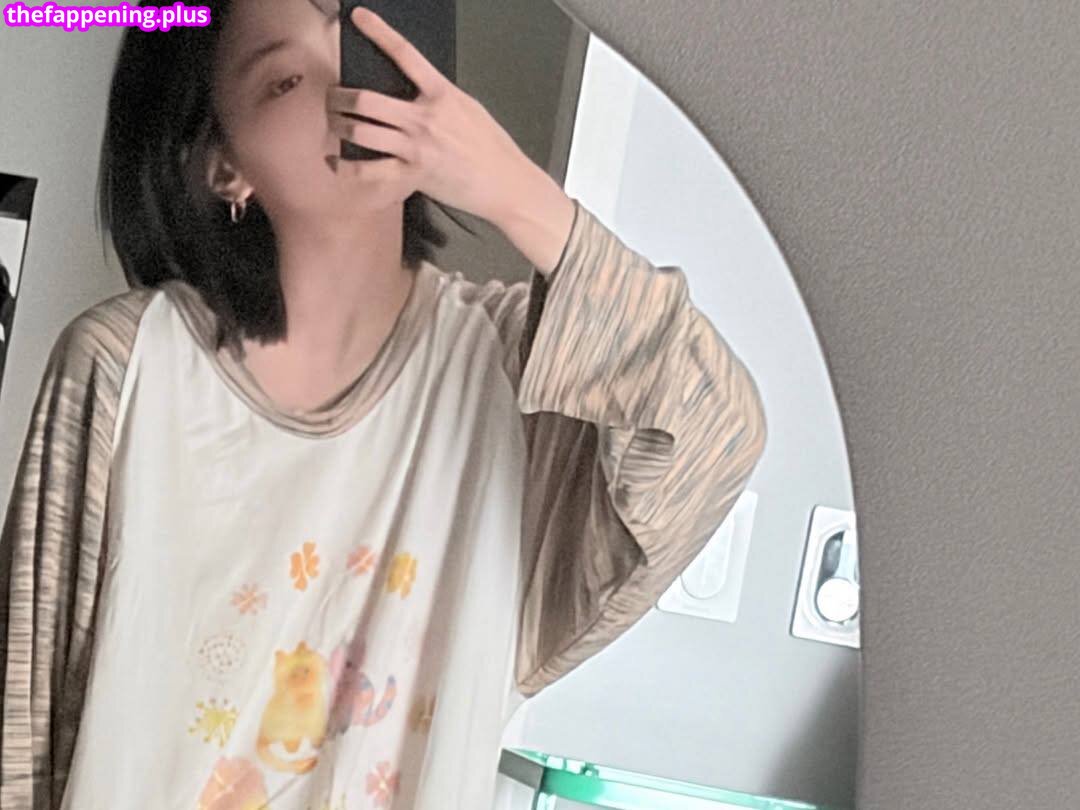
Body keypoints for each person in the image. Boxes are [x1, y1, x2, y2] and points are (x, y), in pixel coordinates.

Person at [0, 1, 768, 808]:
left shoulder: (519, 381)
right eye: (285, 79)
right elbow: (23, 721)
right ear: (223, 167)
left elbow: (715, 431)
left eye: (355, 35)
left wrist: (517, 192)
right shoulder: (128, 364)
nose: (346, 84)